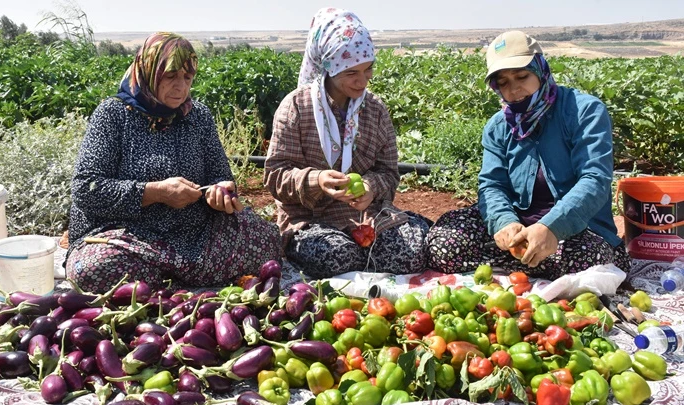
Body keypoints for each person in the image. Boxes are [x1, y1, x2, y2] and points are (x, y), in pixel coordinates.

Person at [66, 32, 281, 293]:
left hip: (192, 232)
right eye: (170, 76)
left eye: (187, 77)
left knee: (266, 240)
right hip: (126, 235)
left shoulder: (198, 116)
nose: (181, 87)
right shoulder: (112, 115)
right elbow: (86, 189)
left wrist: (219, 193)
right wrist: (156, 193)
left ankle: (160, 282)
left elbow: (220, 175)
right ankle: (184, 277)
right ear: (148, 72)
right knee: (94, 269)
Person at [426, 30, 630, 279]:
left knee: (589, 256)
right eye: (503, 83)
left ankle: (515, 267)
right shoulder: (498, 126)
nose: (514, 90)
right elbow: (492, 185)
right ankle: (531, 266)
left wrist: (551, 228)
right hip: (519, 224)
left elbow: (594, 179)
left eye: (522, 76)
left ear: (540, 69)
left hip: (575, 230)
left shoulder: (584, 111)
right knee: (443, 243)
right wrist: (504, 222)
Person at [264, 8, 430, 278]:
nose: (363, 81)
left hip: (368, 217)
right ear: (330, 66)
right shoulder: (296, 107)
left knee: (409, 255)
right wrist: (316, 181)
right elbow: (275, 175)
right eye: (352, 72)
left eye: (368, 70)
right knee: (337, 257)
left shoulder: (374, 109)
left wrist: (369, 188)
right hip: (310, 220)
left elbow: (388, 171)